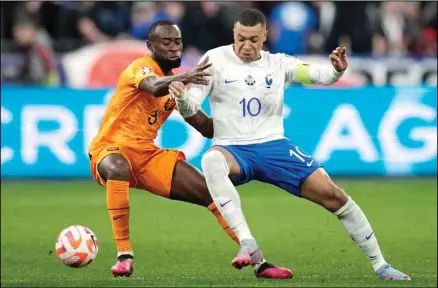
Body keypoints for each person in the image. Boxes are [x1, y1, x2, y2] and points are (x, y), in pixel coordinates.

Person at [169, 9, 411, 281]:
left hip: (274, 146)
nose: (246, 46)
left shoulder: (279, 63)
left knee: (335, 197)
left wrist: (336, 69)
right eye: (240, 38)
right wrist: (181, 98)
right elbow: (193, 103)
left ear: (265, 36)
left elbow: (319, 76)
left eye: (253, 40)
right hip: (233, 148)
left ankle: (381, 265)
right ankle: (248, 243)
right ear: (233, 34)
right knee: (211, 160)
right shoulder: (214, 59)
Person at [88, 19, 289, 279]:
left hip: (146, 156)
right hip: (109, 149)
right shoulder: (140, 68)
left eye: (178, 42)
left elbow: (204, 126)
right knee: (118, 167)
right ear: (151, 46)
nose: (174, 48)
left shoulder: (176, 85)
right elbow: (152, 86)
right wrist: (187, 77)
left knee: (211, 193)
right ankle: (124, 255)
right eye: (166, 43)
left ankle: (259, 262)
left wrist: (242, 117)